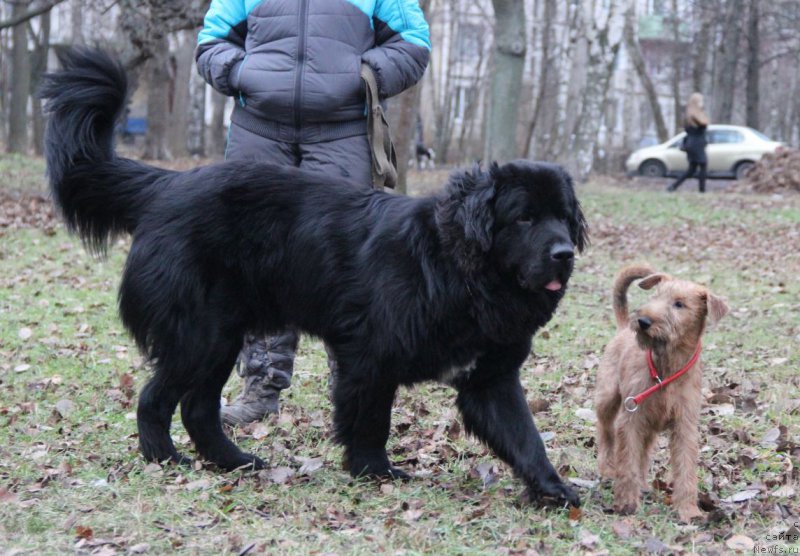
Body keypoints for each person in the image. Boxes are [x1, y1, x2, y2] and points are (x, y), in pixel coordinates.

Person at [195, 0, 431, 425]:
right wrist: (241, 72)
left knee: (346, 269)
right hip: (257, 133)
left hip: (343, 135)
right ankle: (261, 389)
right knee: (255, 265)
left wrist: (363, 75)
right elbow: (210, 41)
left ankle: (354, 393)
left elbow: (413, 42)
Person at [668, 92, 710, 193]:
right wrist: (702, 111)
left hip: (691, 143)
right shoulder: (695, 115)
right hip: (696, 144)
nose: (702, 103)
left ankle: (673, 187)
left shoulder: (688, 115)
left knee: (691, 170)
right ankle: (702, 190)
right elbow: (705, 122)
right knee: (703, 165)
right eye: (701, 101)